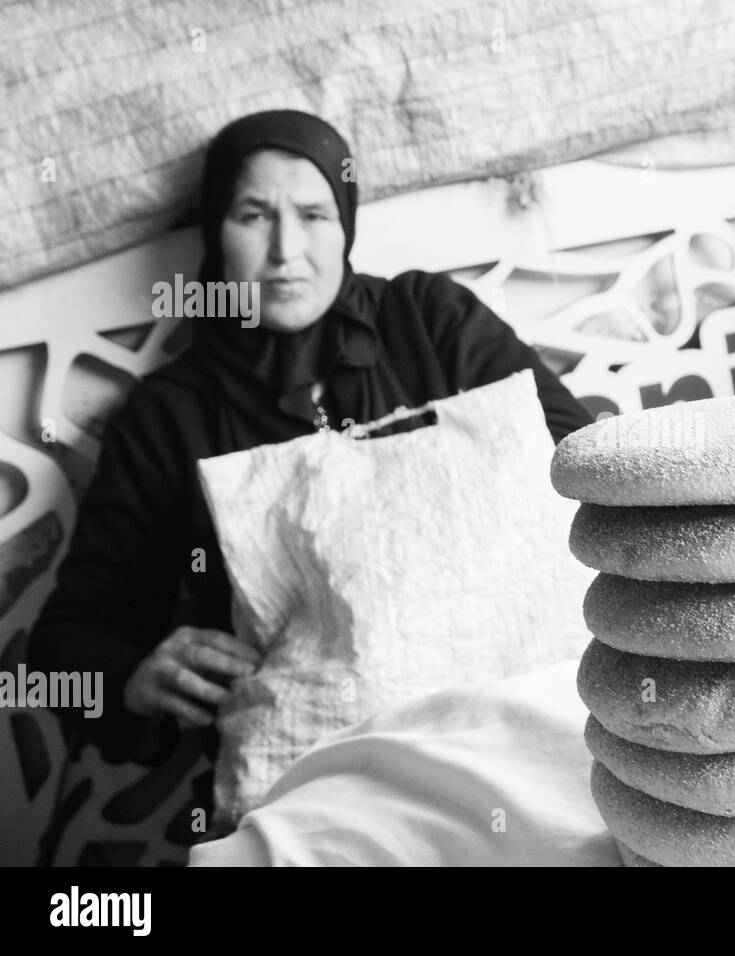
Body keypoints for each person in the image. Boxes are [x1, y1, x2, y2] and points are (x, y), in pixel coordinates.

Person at [26, 110, 593, 774]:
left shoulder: (428, 322)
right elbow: (70, 639)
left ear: (346, 221)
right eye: (253, 215)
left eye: (314, 215)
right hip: (319, 774)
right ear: (214, 229)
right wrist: (133, 674)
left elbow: (583, 461)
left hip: (516, 718)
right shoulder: (169, 416)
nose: (286, 251)